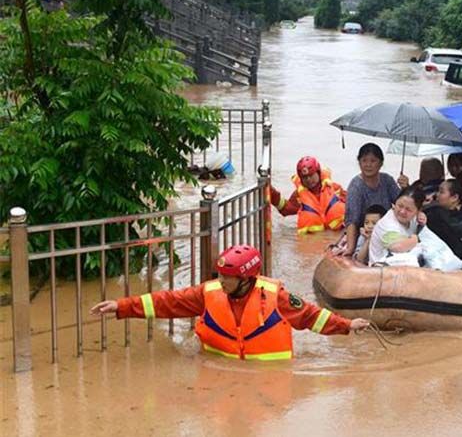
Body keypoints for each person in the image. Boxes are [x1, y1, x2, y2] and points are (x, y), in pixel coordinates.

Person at [90, 245, 370, 361]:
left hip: (269, 378)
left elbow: (311, 317)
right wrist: (122, 306)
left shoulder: (277, 296)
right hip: (216, 368)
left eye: (228, 278)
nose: (222, 282)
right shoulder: (209, 293)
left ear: (247, 279)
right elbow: (168, 302)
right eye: (221, 276)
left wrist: (347, 325)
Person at [335, 144, 403, 257]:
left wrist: (406, 187)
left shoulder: (387, 180)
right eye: (364, 160)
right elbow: (352, 220)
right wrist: (350, 248)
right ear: (359, 162)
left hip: (385, 230)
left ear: (381, 163)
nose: (368, 165)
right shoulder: (356, 186)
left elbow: (402, 205)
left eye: (373, 161)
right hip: (364, 232)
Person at [270, 156, 347, 234]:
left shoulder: (334, 188)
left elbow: (352, 204)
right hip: (315, 238)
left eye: (311, 175)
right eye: (305, 177)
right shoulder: (299, 196)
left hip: (338, 234)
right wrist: (272, 193)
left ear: (318, 172)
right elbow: (285, 210)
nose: (308, 180)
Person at [368, 187, 427, 265]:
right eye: (400, 206)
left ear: (418, 211)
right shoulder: (386, 223)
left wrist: (422, 219)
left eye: (408, 209)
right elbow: (397, 247)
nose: (402, 211)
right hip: (380, 270)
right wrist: (415, 239)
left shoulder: (416, 218)